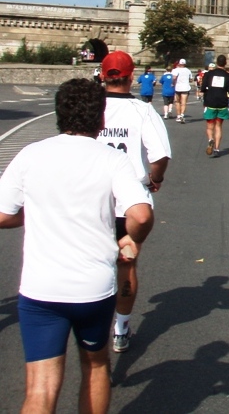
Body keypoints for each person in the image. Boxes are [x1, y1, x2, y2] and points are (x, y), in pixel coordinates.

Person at [0, 78, 154, 414]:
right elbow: (141, 215)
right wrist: (131, 239)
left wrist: (34, 214)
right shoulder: (112, 159)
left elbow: (1, 214)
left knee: (39, 389)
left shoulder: (31, 155)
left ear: (59, 115)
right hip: (92, 289)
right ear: (100, 119)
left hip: (41, 290)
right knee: (96, 366)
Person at [98, 50, 171, 353]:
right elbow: (159, 156)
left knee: (92, 263)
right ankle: (121, 328)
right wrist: (156, 179)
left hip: (92, 198)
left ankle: (92, 325)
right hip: (129, 203)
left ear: (103, 76)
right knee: (127, 261)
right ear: (132, 77)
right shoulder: (143, 111)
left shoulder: (90, 107)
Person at [200, 55, 229, 158]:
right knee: (218, 126)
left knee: (210, 126)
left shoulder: (209, 74)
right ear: (225, 63)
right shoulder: (228, 76)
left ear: (216, 62)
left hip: (210, 102)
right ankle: (217, 149)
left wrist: (209, 90)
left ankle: (210, 139)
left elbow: (202, 88)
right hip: (222, 103)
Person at [171, 58, 193, 123]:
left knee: (177, 102)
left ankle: (178, 115)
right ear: (185, 64)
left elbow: (174, 77)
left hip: (178, 87)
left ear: (179, 63)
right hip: (186, 87)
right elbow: (191, 79)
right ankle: (182, 115)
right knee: (183, 102)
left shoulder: (176, 70)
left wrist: (172, 83)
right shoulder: (188, 70)